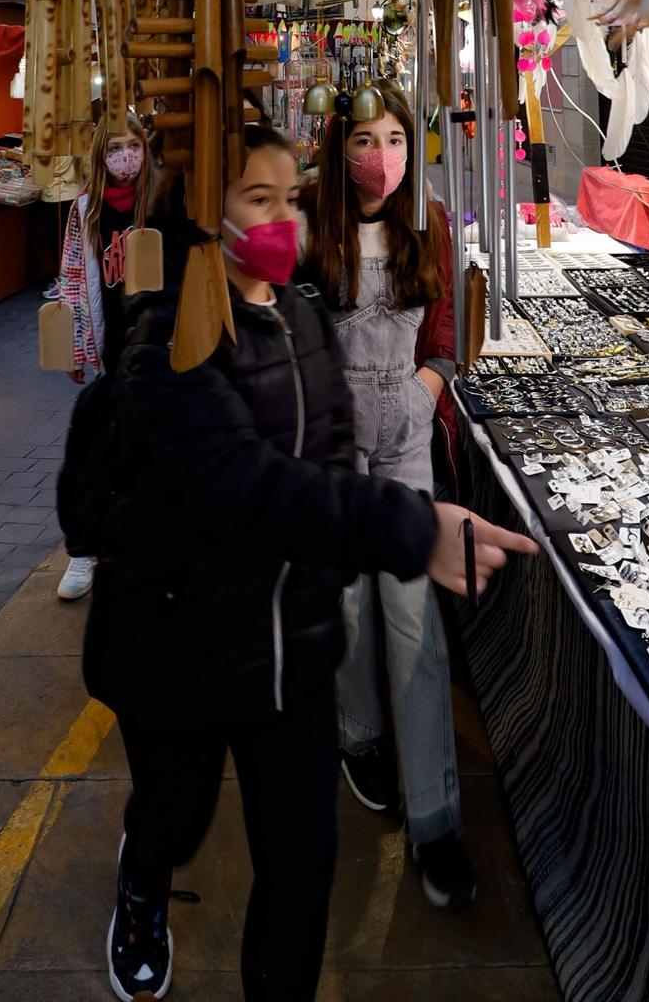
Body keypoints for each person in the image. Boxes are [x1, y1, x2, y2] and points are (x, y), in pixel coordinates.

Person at [84, 125, 534, 1001]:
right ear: (203, 211)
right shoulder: (163, 337)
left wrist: (381, 504)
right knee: (173, 818)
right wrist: (413, 530)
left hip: (289, 651)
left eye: (292, 198)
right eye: (261, 199)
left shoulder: (297, 315)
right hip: (178, 645)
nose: (285, 219)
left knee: (299, 868)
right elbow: (244, 486)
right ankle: (141, 885)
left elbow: (325, 460)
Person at [301, 82, 474, 908]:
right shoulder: (309, 229)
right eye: (365, 141)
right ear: (339, 150)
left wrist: (427, 386)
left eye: (397, 139)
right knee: (348, 607)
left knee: (414, 622)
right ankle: (358, 736)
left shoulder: (428, 224)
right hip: (333, 454)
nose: (384, 158)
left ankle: (437, 818)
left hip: (407, 446)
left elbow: (448, 330)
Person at [53, 114, 150, 602]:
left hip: (155, 345)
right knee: (98, 450)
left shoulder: (158, 202)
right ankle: (85, 550)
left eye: (134, 144)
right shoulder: (86, 209)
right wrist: (74, 346)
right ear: (99, 152)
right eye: (116, 146)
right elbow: (72, 275)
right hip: (112, 344)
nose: (126, 155)